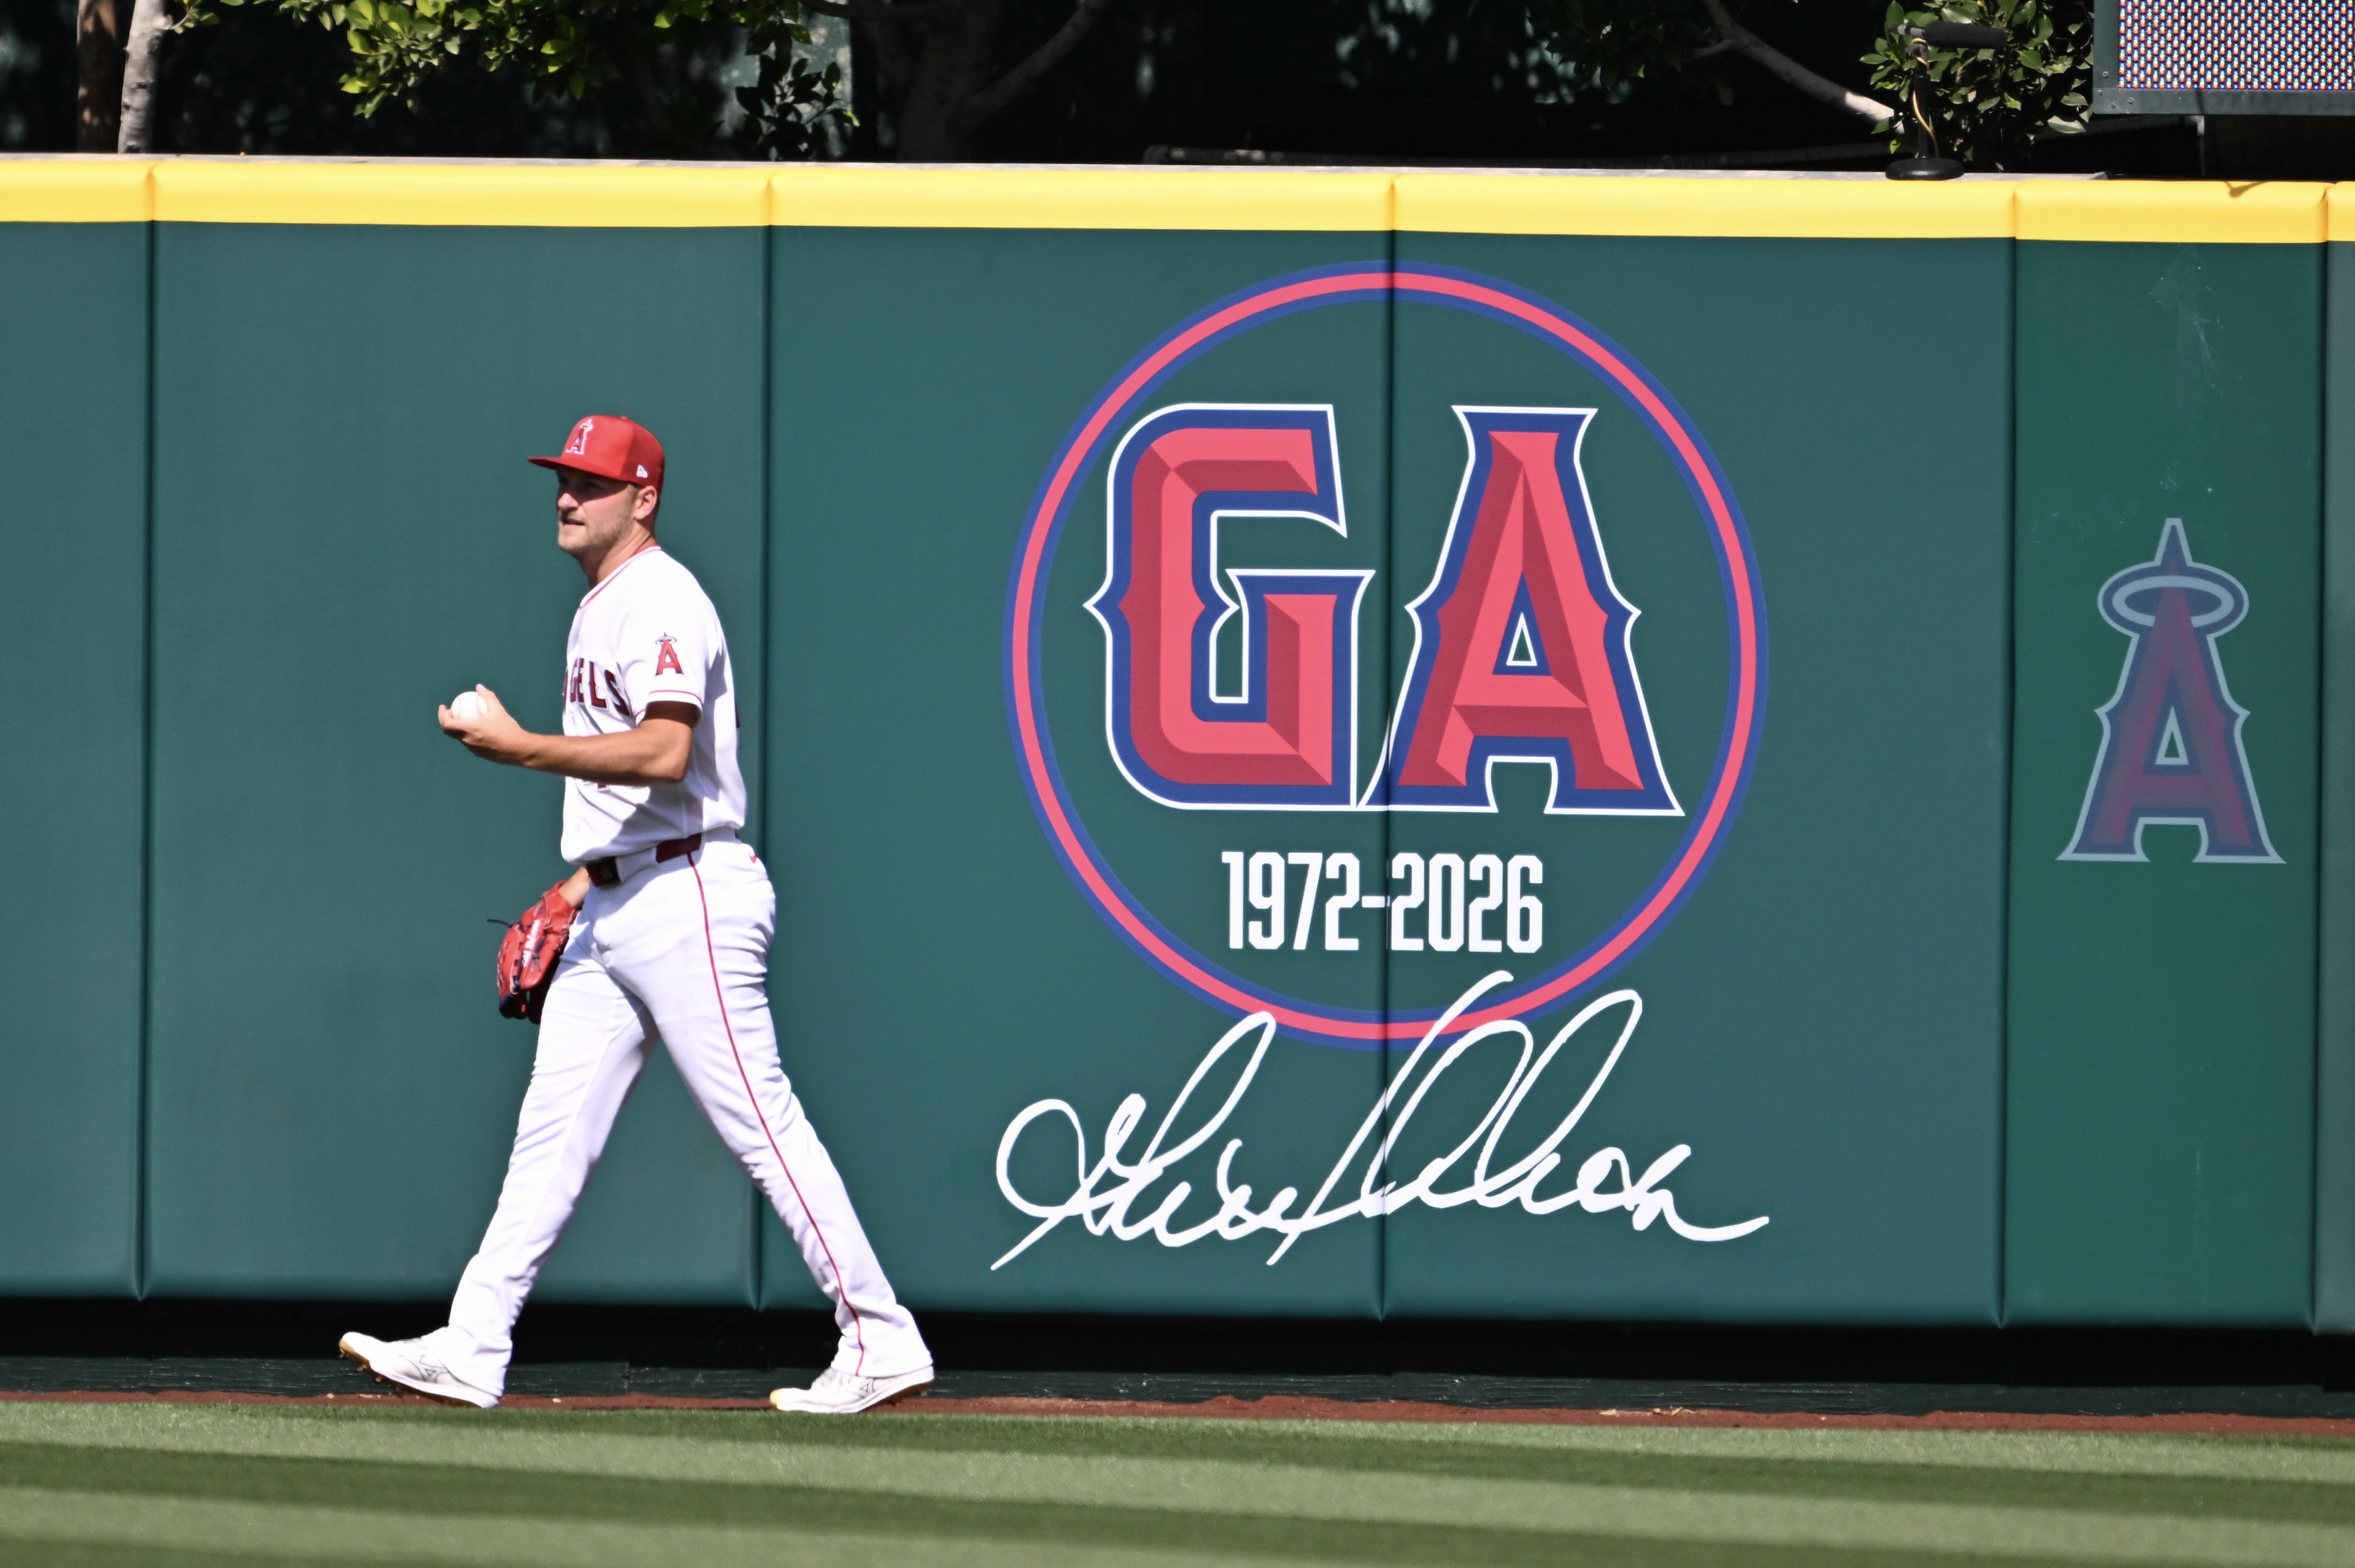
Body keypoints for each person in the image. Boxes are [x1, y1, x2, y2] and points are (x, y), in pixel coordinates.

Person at [338, 414, 934, 1414]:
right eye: (563, 480)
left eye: (594, 483)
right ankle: (475, 1342)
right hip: (623, 897)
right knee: (548, 1131)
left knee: (760, 1122)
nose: (568, 498)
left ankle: (881, 1337)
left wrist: (518, 745)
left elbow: (664, 753)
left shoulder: (662, 598)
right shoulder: (603, 603)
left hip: (691, 895)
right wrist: (577, 886)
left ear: (644, 497)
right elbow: (644, 793)